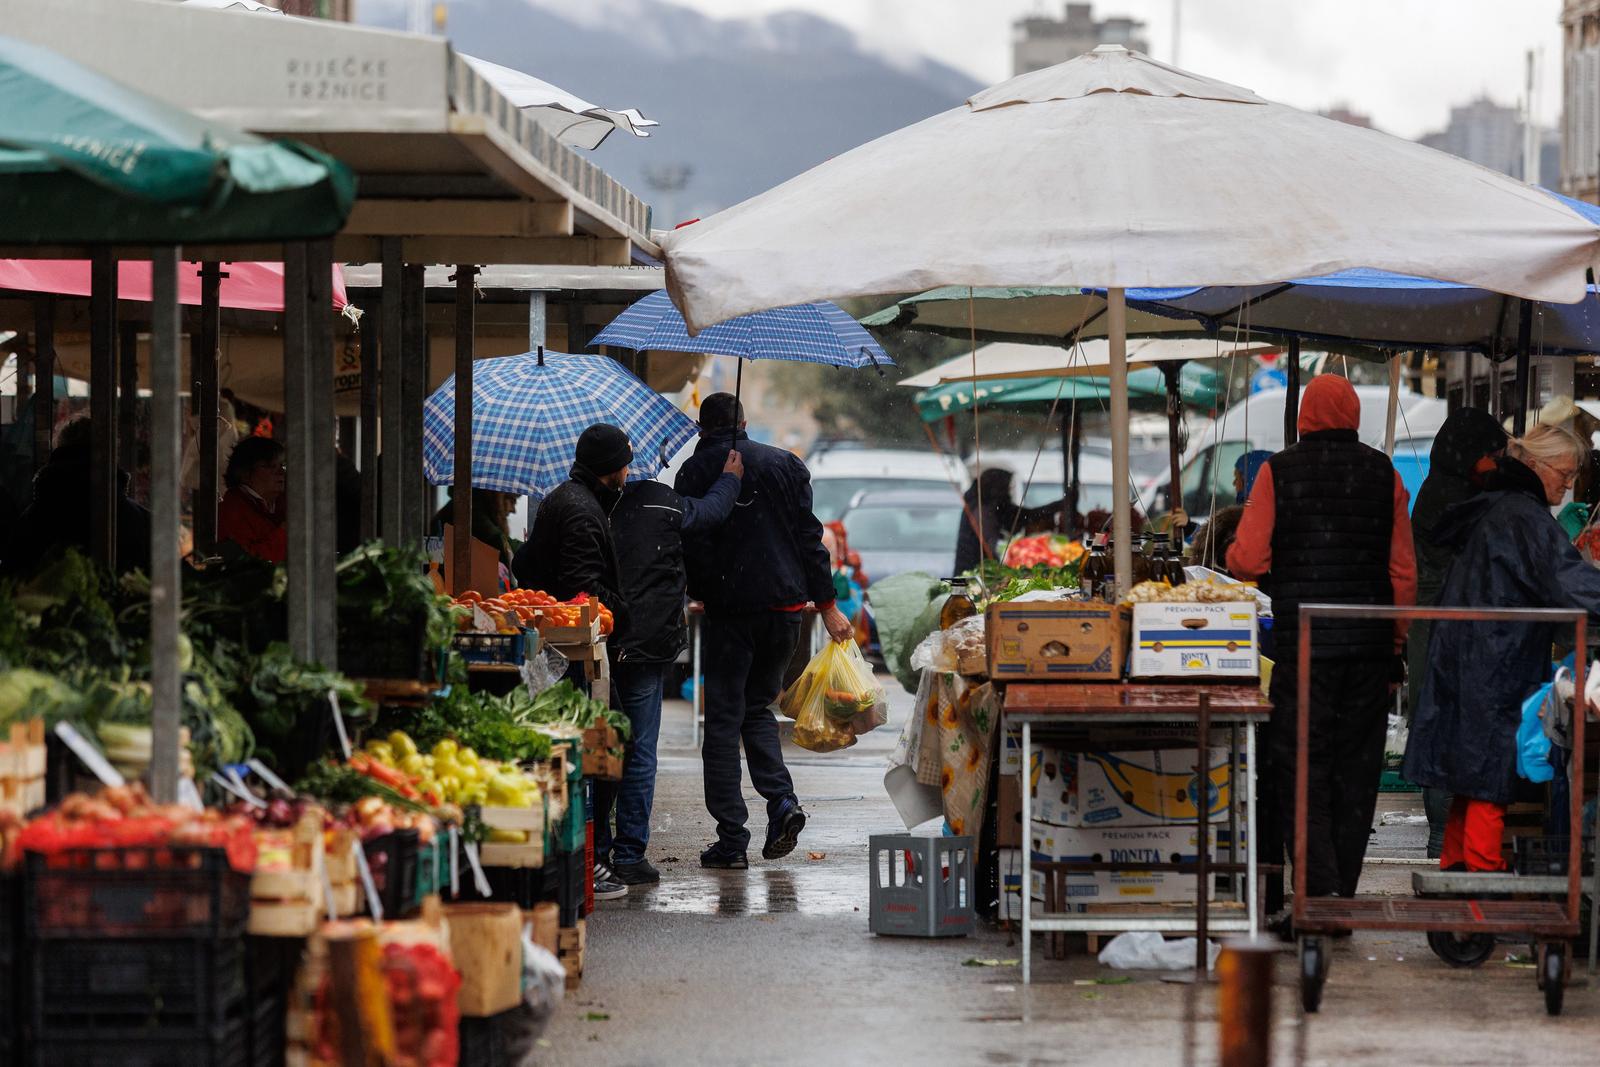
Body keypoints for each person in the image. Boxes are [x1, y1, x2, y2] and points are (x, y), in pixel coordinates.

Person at [1226, 374, 1416, 904]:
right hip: (1370, 649)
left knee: (1301, 766)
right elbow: (1403, 573)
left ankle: (1317, 891)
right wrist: (1395, 642)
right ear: (1354, 414)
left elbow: (1246, 560)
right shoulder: (1385, 474)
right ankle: (1340, 894)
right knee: (1355, 773)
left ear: (1303, 416)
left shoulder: (1278, 471)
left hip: (1305, 647)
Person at [1404, 424, 1600, 872]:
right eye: (1563, 473)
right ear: (1535, 464)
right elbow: (1568, 581)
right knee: (1489, 772)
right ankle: (1479, 876)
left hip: (1472, 653)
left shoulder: (1500, 505)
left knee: (1469, 773)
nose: (1567, 484)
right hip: (1494, 660)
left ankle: (1456, 868)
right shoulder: (1523, 515)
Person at [676, 393, 852, 870]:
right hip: (785, 610)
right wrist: (829, 604)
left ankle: (732, 838)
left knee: (723, 721)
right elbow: (809, 539)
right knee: (757, 708)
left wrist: (698, 587)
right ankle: (781, 803)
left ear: (701, 428)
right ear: (745, 423)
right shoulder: (786, 465)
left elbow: (690, 540)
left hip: (730, 613)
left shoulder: (694, 473)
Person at [597, 447, 744, 885]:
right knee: (639, 751)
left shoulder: (588, 504)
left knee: (600, 747)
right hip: (646, 644)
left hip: (597, 641)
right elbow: (711, 512)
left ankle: (599, 852)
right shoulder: (661, 501)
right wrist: (731, 478)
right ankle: (628, 855)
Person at [512, 423, 634, 900]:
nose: (628, 470)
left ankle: (588, 852)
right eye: (623, 463)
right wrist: (622, 612)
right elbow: (581, 586)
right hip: (572, 653)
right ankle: (594, 857)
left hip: (560, 649)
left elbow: (528, 563)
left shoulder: (568, 496)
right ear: (608, 469)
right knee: (606, 740)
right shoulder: (582, 510)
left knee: (597, 743)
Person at [1405, 408, 1506, 857]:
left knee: (1442, 716)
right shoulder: (1450, 496)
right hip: (1441, 620)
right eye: (1490, 454)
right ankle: (1441, 830)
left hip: (1442, 619)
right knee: (1444, 717)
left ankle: (1447, 830)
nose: (1495, 462)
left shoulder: (1455, 489)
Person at [3, 416, 152, 576]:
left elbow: (14, 575)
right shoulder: (140, 521)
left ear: (59, 451)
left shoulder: (33, 519)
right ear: (110, 453)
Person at [953, 466, 1062, 574]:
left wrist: (1058, 505)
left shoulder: (996, 506)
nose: (1009, 491)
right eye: (1006, 487)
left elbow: (1025, 516)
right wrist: (1010, 554)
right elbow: (994, 545)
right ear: (996, 488)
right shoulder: (982, 510)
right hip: (972, 574)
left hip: (982, 571)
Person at [216, 436, 288, 563]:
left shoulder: (286, 501)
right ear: (244, 472)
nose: (280, 472)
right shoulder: (232, 510)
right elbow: (249, 563)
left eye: (282, 465)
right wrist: (285, 531)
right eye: (270, 466)